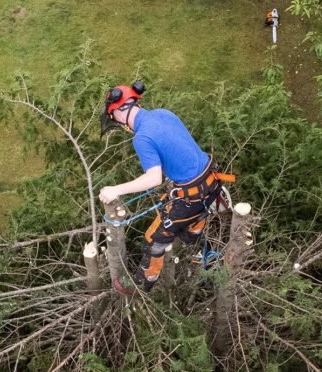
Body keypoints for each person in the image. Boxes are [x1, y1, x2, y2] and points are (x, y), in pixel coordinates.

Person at [98, 81, 232, 291]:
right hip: (211, 183)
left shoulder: (141, 138)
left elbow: (153, 179)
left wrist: (115, 190)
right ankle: (192, 237)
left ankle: (143, 283)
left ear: (120, 113)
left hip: (193, 196)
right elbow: (180, 147)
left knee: (153, 239)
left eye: (114, 117)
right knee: (168, 208)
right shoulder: (163, 113)